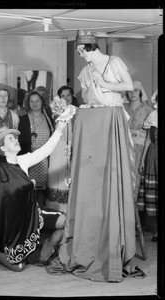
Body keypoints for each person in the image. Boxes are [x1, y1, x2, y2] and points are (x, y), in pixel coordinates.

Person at [46, 30, 144, 282]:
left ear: (89, 47)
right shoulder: (85, 71)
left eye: (82, 51)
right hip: (92, 117)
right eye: (79, 52)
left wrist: (104, 83)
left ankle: (112, 245)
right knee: (89, 179)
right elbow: (87, 95)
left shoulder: (114, 62)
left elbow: (128, 85)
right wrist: (88, 93)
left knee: (111, 175)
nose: (81, 56)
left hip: (110, 117)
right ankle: (83, 242)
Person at [0, 121, 67, 272]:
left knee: (66, 222)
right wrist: (29, 184)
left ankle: (44, 252)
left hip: (32, 213)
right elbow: (6, 192)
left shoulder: (23, 160)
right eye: (10, 139)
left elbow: (45, 150)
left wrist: (59, 129)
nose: (15, 140)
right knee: (18, 267)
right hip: (15, 224)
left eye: (15, 138)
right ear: (3, 148)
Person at [17, 90, 55, 207]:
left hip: (46, 161)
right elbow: (21, 142)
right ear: (28, 103)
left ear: (42, 102)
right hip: (31, 161)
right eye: (31, 101)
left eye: (37, 101)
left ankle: (42, 218)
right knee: (31, 191)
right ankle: (32, 220)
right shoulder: (24, 119)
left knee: (43, 192)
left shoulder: (49, 118)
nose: (34, 103)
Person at [46, 86, 78, 213]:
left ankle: (71, 214)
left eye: (68, 95)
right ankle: (57, 213)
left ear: (72, 96)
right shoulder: (55, 112)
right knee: (57, 179)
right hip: (58, 149)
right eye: (63, 96)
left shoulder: (78, 111)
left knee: (70, 178)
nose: (66, 98)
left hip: (73, 147)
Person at [124, 81, 153, 202]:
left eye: (135, 90)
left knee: (134, 182)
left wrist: (143, 159)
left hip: (140, 150)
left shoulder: (148, 110)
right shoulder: (122, 108)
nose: (132, 93)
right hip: (123, 147)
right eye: (130, 91)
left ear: (140, 92)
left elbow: (149, 136)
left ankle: (132, 216)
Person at [137, 91, 158, 242]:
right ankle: (156, 230)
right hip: (153, 156)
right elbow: (148, 140)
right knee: (155, 194)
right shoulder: (153, 116)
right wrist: (143, 159)